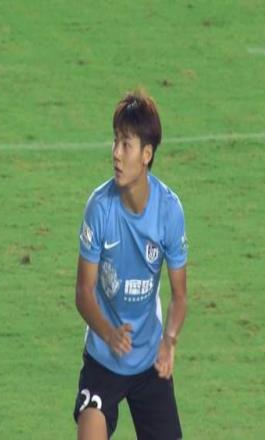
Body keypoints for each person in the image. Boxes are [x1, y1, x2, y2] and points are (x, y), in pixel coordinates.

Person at [73, 90, 188, 440]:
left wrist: (169, 341)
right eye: (115, 141)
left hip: (149, 362)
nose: (116, 153)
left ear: (146, 154)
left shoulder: (168, 211)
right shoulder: (99, 208)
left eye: (126, 144)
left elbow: (180, 296)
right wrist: (108, 333)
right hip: (103, 360)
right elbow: (83, 292)